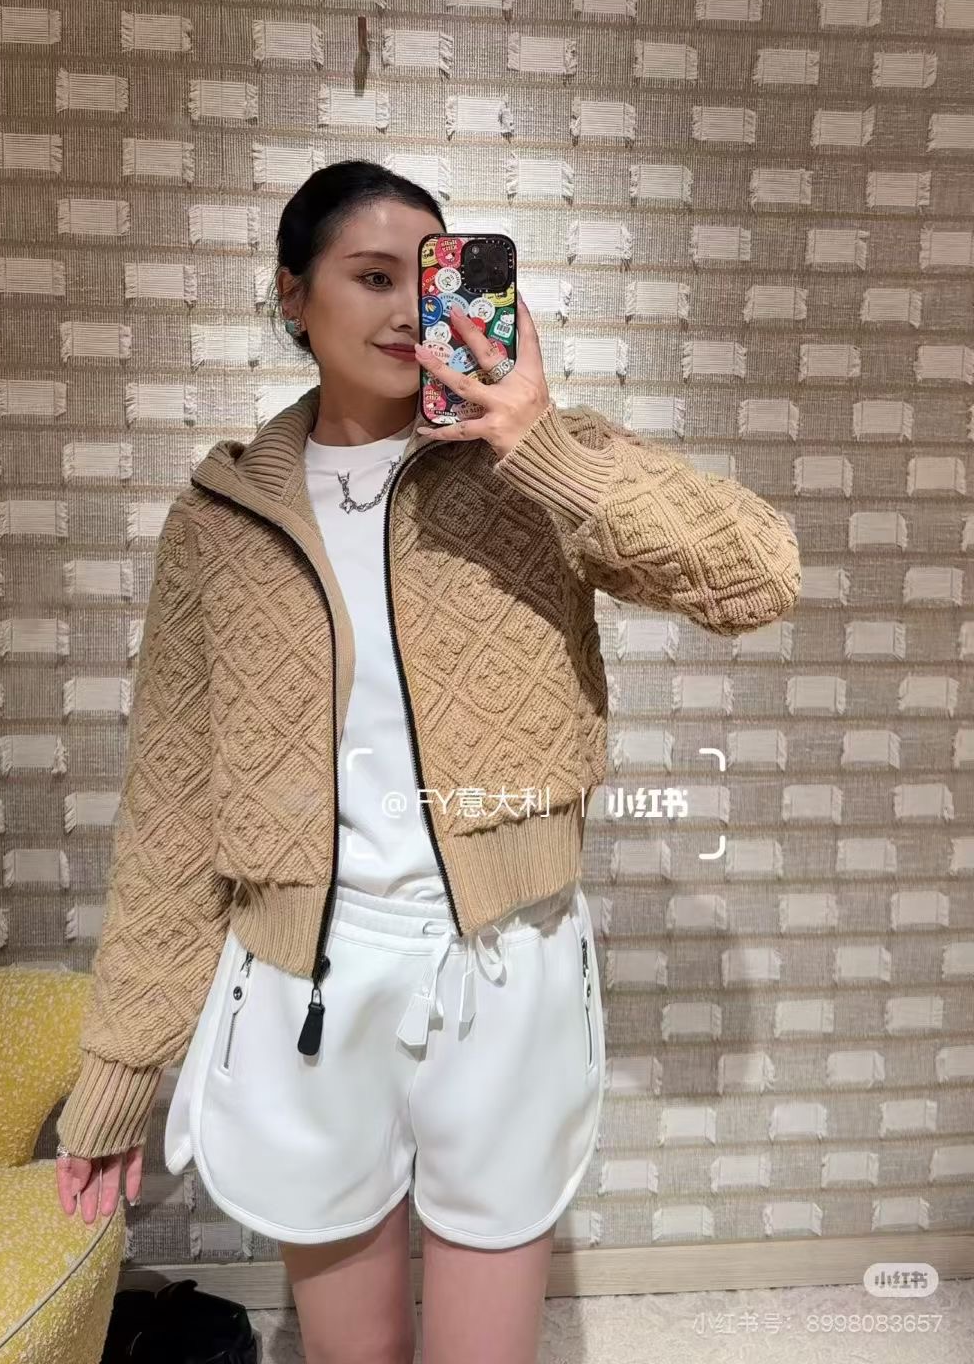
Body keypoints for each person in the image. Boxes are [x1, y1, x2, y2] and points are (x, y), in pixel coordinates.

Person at [53, 160, 802, 1364]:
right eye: (371, 276)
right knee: (350, 1354)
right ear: (292, 295)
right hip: (304, 981)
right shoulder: (221, 520)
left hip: (507, 967)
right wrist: (122, 1071)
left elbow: (759, 577)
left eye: (433, 275)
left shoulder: (534, 470)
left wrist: (540, 442)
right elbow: (172, 809)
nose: (410, 308)